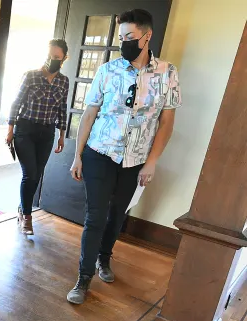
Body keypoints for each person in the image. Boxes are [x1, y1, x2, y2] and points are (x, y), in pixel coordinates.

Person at [67, 9, 181, 304]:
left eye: (130, 37)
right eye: (121, 37)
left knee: (118, 214)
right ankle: (83, 278)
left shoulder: (167, 73)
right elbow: (89, 113)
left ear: (147, 36)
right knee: (95, 216)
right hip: (100, 153)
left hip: (135, 159)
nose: (124, 42)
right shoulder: (108, 70)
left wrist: (152, 161)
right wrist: (77, 156)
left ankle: (104, 259)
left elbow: (166, 123)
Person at [6, 39, 69, 235]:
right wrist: (10, 130)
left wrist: (61, 135)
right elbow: (16, 103)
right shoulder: (31, 76)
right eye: (50, 56)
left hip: (47, 132)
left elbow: (62, 108)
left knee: (37, 175)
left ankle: (21, 207)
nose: (52, 60)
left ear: (64, 58)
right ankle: (26, 215)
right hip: (25, 130)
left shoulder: (63, 81)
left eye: (57, 57)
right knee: (30, 174)